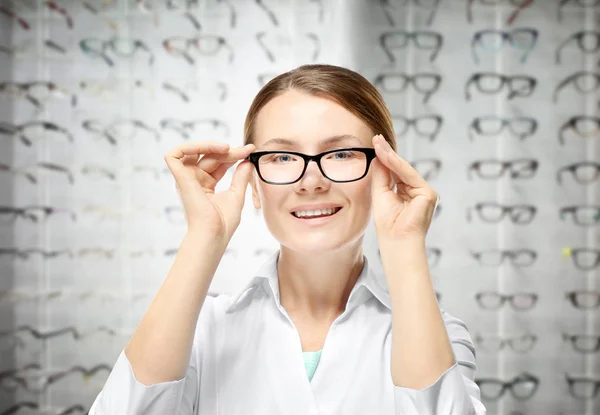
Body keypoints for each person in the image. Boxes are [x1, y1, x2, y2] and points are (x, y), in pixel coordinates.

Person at [88, 64, 487, 414]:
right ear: (255, 185)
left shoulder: (437, 335)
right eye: (281, 158)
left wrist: (403, 245)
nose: (311, 181)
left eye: (342, 154)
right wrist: (203, 238)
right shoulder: (199, 329)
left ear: (387, 171)